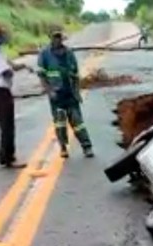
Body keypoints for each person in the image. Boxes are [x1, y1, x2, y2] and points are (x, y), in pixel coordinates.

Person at [0, 20, 32, 168]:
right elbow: (6, 72)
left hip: (0, 90)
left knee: (6, 124)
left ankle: (4, 156)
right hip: (0, 90)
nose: (3, 37)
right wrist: (14, 71)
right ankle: (9, 158)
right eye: (1, 35)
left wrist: (21, 66)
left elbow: (9, 63)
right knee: (7, 125)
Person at [37, 29, 94, 158]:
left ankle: (87, 147)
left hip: (70, 94)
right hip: (56, 96)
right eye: (55, 37)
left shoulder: (69, 53)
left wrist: (77, 91)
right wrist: (49, 91)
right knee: (60, 124)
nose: (57, 39)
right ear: (50, 38)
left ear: (62, 38)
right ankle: (63, 147)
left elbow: (75, 75)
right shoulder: (44, 54)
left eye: (59, 37)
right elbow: (41, 75)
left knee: (78, 122)